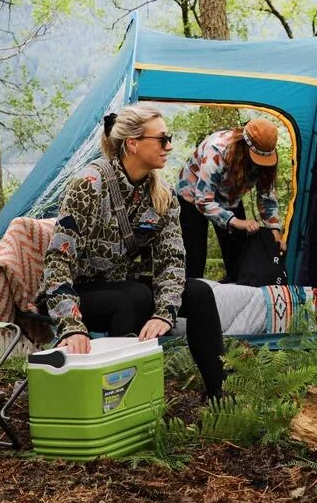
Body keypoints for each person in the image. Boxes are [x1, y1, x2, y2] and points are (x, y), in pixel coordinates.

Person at [39, 104, 227, 400]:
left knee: (200, 293)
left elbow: (172, 262)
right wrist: (71, 326)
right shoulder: (88, 186)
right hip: (79, 293)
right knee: (131, 297)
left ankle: (218, 395)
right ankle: (123, 401)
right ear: (133, 143)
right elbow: (58, 262)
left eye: (170, 138)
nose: (170, 146)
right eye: (162, 139)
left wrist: (165, 313)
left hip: (123, 288)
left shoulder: (163, 195)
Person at [176, 117, 283, 282]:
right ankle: (192, 297)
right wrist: (236, 222)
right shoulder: (217, 150)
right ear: (244, 145)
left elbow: (267, 196)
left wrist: (275, 231)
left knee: (238, 259)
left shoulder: (266, 153)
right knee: (194, 259)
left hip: (229, 197)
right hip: (193, 196)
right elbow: (203, 201)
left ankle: (232, 296)